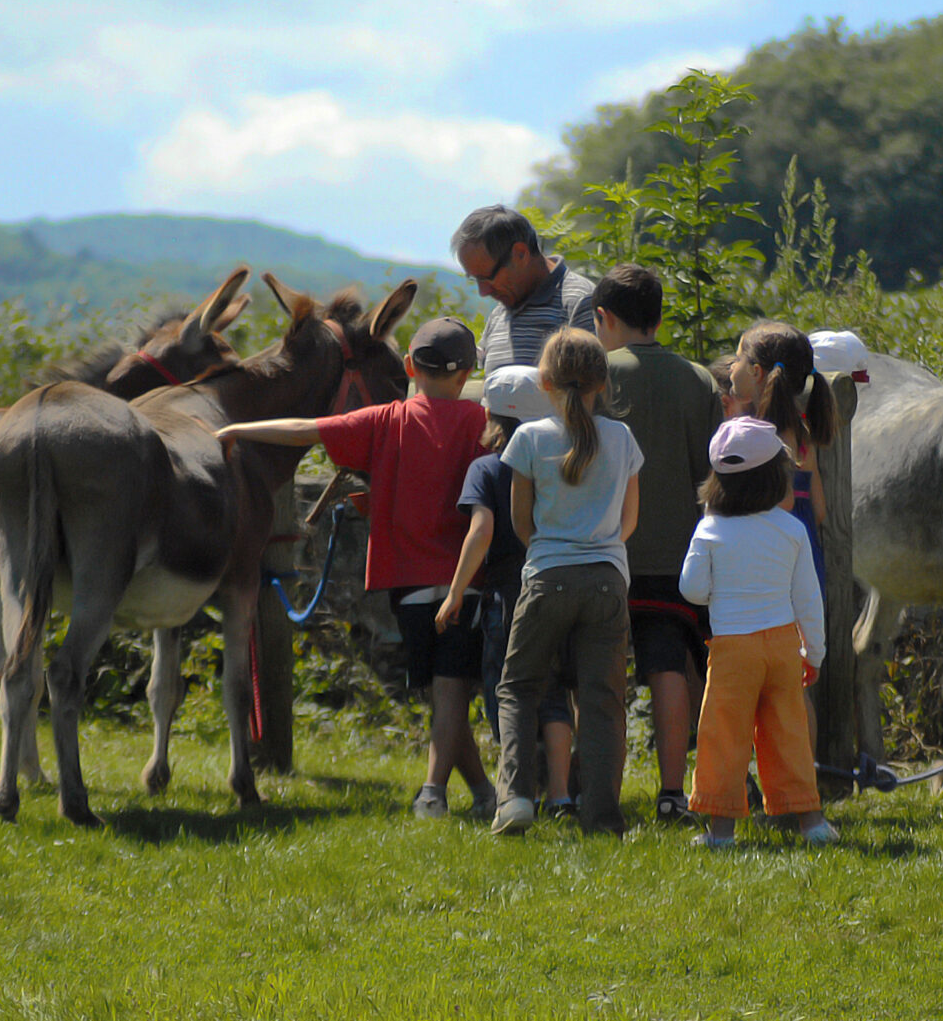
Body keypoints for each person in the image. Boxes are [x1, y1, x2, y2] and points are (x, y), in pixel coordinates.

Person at [218, 317, 493, 821]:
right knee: (449, 688)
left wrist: (236, 426)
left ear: (409, 366)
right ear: (468, 372)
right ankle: (482, 793)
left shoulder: (385, 419)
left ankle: (434, 791)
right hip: (466, 577)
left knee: (443, 689)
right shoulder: (481, 424)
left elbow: (306, 429)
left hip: (405, 577)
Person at [490, 328, 644, 837]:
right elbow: (629, 522)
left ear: (544, 381)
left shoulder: (529, 438)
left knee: (518, 687)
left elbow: (521, 522)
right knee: (602, 704)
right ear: (603, 381)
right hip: (606, 580)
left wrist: (552, 548)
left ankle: (515, 797)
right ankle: (602, 818)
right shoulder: (622, 440)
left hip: (547, 575)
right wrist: (601, 547)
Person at [592, 264, 724, 825]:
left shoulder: (598, 374)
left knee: (599, 674)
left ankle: (598, 790)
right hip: (680, 549)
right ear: (659, 318)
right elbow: (711, 471)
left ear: (604, 318)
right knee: (669, 665)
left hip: (605, 547)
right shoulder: (698, 378)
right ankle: (674, 791)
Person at [680, 417, 835, 849]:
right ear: (775, 477)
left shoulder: (710, 529)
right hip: (784, 646)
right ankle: (812, 822)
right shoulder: (792, 530)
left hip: (732, 649)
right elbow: (809, 599)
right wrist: (814, 654)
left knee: (724, 737)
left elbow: (690, 589)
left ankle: (722, 831)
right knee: (789, 732)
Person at [438, 364, 578, 815]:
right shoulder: (561, 460)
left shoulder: (486, 467)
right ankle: (560, 794)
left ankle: (518, 791)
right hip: (558, 582)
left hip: (507, 595)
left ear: (494, 418)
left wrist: (456, 591)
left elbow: (481, 530)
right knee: (554, 691)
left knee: (509, 689)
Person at [728, 322, 837, 594]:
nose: (731, 366)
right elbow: (819, 511)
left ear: (756, 372)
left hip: (766, 568)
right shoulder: (802, 438)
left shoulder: (749, 439)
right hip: (806, 564)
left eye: (738, 358)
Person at [450, 205, 597, 372]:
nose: (483, 292)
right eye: (476, 279)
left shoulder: (580, 302)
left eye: (487, 278)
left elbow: (591, 388)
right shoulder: (499, 313)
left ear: (521, 254)